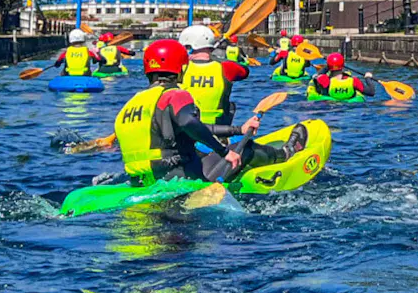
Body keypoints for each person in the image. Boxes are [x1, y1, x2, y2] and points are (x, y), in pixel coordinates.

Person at [115, 39, 307, 186]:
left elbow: (188, 127)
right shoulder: (175, 95)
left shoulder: (130, 105)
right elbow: (189, 123)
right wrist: (225, 152)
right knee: (245, 148)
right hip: (180, 181)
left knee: (204, 153)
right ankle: (285, 153)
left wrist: (238, 129)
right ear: (182, 67)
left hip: (144, 182)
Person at [177, 25, 251, 126]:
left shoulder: (179, 68)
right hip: (219, 128)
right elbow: (245, 72)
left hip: (187, 127)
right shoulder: (226, 67)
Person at [307, 53, 375, 100]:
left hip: (330, 105)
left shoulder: (324, 80)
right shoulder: (354, 81)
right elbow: (371, 92)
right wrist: (368, 78)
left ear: (328, 66)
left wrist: (327, 66)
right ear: (342, 65)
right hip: (349, 108)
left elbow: (316, 76)